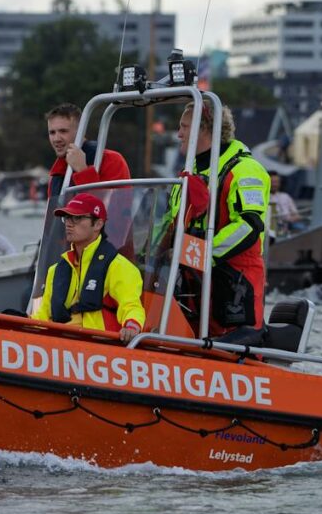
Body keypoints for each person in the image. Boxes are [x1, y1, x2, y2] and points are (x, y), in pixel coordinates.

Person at [165, 103, 270, 332]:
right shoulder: (188, 174)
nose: (179, 134)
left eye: (184, 127)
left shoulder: (245, 169)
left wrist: (197, 254)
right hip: (193, 286)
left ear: (204, 129)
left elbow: (248, 226)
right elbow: (170, 225)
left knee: (229, 345)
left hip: (233, 283)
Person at [31, 193, 145, 340]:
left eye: (77, 218)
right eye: (66, 218)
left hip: (99, 347)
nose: (69, 223)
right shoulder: (55, 270)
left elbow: (131, 306)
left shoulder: (118, 266)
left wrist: (132, 326)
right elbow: (42, 316)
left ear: (98, 224)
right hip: (61, 347)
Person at [44, 103, 131, 203]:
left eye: (63, 131)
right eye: (52, 132)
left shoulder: (111, 160)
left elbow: (113, 212)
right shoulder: (56, 175)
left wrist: (83, 171)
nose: (56, 139)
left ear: (82, 131)